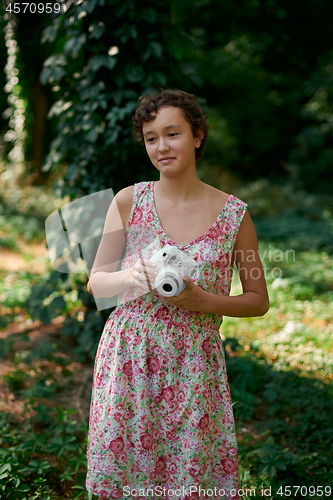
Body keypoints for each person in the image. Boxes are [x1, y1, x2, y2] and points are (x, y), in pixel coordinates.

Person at [85, 88, 269, 500]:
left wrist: (206, 302)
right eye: (151, 138)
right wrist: (133, 276)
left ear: (198, 135)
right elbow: (97, 281)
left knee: (189, 477)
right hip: (129, 356)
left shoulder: (235, 215)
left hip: (193, 362)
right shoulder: (128, 201)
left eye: (173, 134)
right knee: (126, 472)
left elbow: (258, 298)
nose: (162, 146)